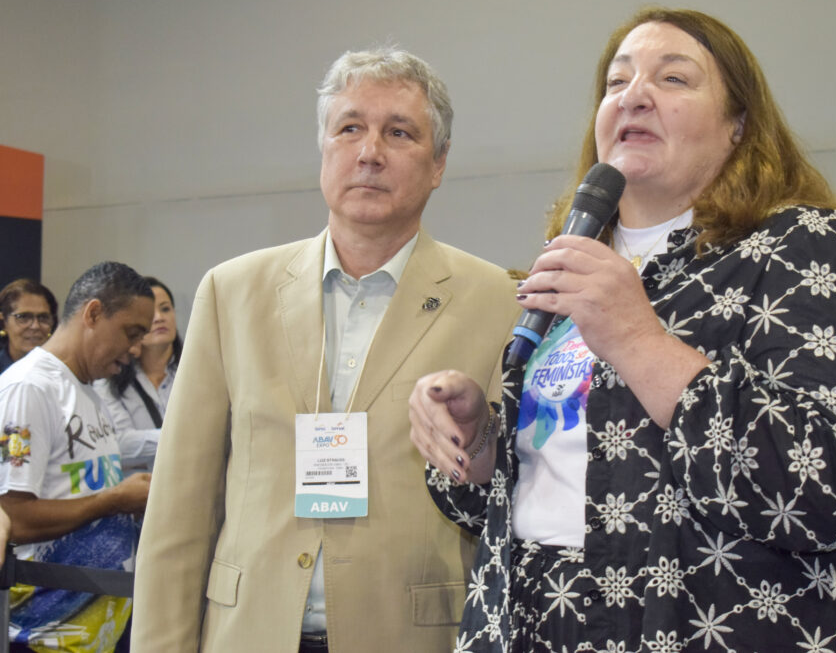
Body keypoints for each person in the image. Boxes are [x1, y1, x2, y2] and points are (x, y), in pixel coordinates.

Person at [410, 7, 836, 652]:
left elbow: (833, 485)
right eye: (616, 83)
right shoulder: (577, 258)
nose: (634, 95)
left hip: (707, 626)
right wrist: (478, 448)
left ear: (738, 126)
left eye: (674, 79)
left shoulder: (799, 244)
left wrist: (638, 340)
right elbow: (561, 483)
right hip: (536, 620)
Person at [131, 47, 519, 652]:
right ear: (324, 148)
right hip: (246, 631)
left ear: (439, 163)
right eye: (350, 128)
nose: (370, 152)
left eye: (399, 133)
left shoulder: (500, 301)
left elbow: (509, 493)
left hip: (413, 633)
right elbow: (179, 506)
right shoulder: (232, 293)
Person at [0, 262, 154, 652]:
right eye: (131, 333)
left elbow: (77, 491)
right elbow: (13, 517)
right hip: (41, 635)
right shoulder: (27, 389)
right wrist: (113, 500)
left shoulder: (88, 391)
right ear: (93, 313)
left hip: (96, 631)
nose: (135, 349)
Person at [95, 277, 181, 474]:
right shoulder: (109, 378)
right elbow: (118, 445)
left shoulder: (196, 372)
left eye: (166, 309)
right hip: (138, 498)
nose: (160, 317)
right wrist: (183, 436)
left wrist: (143, 446)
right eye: (152, 313)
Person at [0, 279, 59, 374]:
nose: (35, 326)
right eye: (23, 317)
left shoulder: (61, 372)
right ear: (3, 323)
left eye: (43, 317)